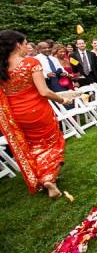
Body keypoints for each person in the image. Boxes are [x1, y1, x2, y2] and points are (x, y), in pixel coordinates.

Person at [0, 30, 71, 197]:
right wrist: (62, 100)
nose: (27, 47)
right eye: (25, 44)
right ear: (17, 45)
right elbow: (44, 91)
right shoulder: (30, 63)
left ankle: (44, 177)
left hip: (17, 115)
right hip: (38, 111)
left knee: (33, 146)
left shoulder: (3, 67)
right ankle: (49, 178)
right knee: (53, 142)